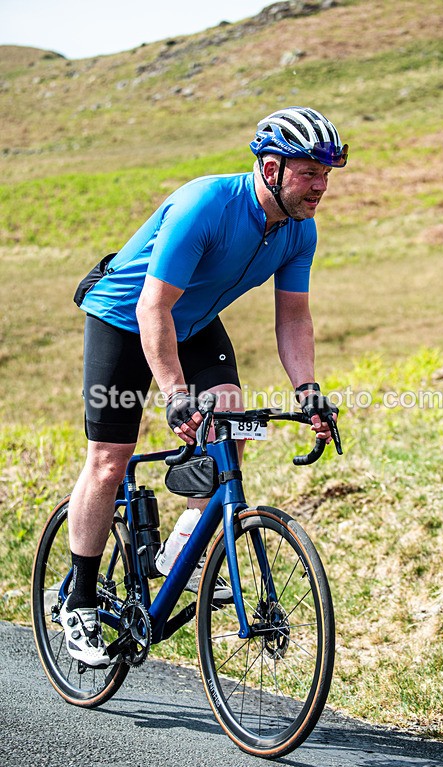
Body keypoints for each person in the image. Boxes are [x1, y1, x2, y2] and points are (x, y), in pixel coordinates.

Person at [60, 107, 349, 667]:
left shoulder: (299, 230)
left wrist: (308, 390)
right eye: (310, 172)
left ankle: (180, 554)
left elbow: (294, 317)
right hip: (125, 317)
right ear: (271, 169)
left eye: (327, 174)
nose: (321, 186)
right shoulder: (206, 205)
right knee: (109, 461)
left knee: (232, 421)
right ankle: (80, 601)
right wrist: (174, 395)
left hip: (192, 324)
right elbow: (152, 307)